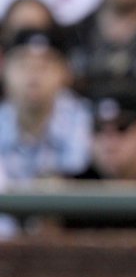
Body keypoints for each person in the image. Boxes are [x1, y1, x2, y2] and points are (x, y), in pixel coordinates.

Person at [0, 28, 92, 181]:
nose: (33, 74)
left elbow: (76, 177)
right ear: (4, 72)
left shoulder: (86, 119)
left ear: (66, 73)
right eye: (23, 64)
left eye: (45, 65)